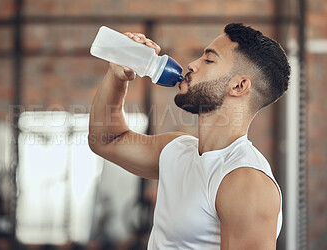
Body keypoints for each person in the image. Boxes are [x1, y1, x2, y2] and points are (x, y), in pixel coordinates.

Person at [88, 23, 290, 249]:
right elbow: (105, 140)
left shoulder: (246, 182)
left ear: (239, 85)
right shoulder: (178, 150)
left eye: (209, 60)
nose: (192, 65)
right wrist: (118, 76)